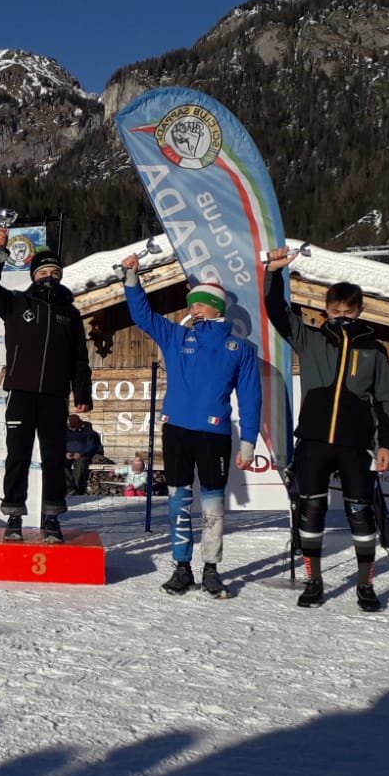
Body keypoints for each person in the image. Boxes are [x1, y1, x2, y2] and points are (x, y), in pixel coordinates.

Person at [121, 253, 263, 598]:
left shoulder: (239, 348)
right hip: (177, 431)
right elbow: (142, 315)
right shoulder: (177, 336)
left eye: (200, 304)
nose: (194, 309)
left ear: (217, 308)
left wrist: (248, 441)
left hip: (214, 434)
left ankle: (211, 569)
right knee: (178, 501)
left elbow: (250, 397)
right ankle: (181, 568)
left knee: (213, 505)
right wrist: (131, 279)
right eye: (192, 304)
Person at [265, 248, 389, 612]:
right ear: (325, 310)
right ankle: (314, 581)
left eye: (348, 312)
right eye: (335, 311)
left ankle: (365, 585)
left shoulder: (374, 349)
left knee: (361, 513)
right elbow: (276, 310)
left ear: (360, 311)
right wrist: (273, 273)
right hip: (313, 442)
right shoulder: (310, 338)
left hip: (355, 444)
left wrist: (386, 444)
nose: (341, 317)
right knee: (311, 511)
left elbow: (386, 400)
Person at [0, 234, 93, 543]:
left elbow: (79, 359)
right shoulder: (16, 303)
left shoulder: (70, 314)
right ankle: (14, 517)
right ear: (33, 276)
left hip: (55, 397)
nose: (49, 277)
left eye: (55, 272)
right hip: (21, 394)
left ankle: (52, 518)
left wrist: (82, 393)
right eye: (43, 272)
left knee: (54, 458)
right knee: (18, 456)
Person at [64, 414, 104, 495]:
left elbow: (91, 446)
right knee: (60, 464)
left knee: (80, 465)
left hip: (81, 455)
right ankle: (70, 488)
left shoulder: (88, 433)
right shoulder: (65, 433)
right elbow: (60, 444)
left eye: (74, 422)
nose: (71, 424)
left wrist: (81, 453)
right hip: (68, 454)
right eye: (70, 422)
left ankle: (77, 489)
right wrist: (65, 453)